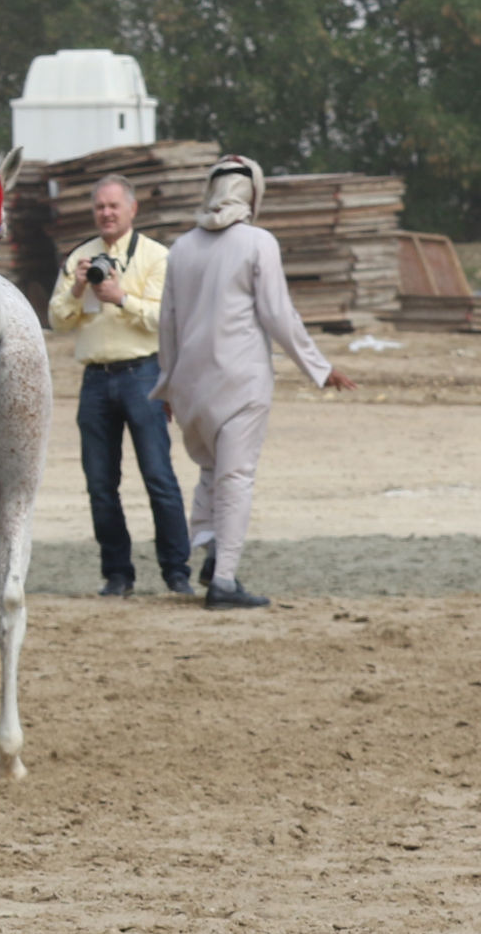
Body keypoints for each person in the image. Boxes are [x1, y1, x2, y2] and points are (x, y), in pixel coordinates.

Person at [155, 155, 355, 609]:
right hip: (240, 382)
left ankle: (211, 554)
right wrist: (319, 368)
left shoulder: (181, 248)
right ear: (253, 193)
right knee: (236, 477)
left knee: (211, 473)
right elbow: (278, 314)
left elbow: (167, 323)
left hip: (190, 386)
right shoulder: (258, 242)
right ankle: (224, 580)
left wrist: (166, 384)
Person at [46, 177, 188, 597]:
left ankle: (176, 571)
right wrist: (78, 288)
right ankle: (117, 574)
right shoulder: (80, 257)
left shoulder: (156, 257)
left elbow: (166, 318)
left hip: (143, 375)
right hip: (95, 380)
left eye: (113, 206)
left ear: (132, 209)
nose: (106, 214)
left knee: (158, 477)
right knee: (100, 483)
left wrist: (120, 297)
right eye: (99, 207)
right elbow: (57, 320)